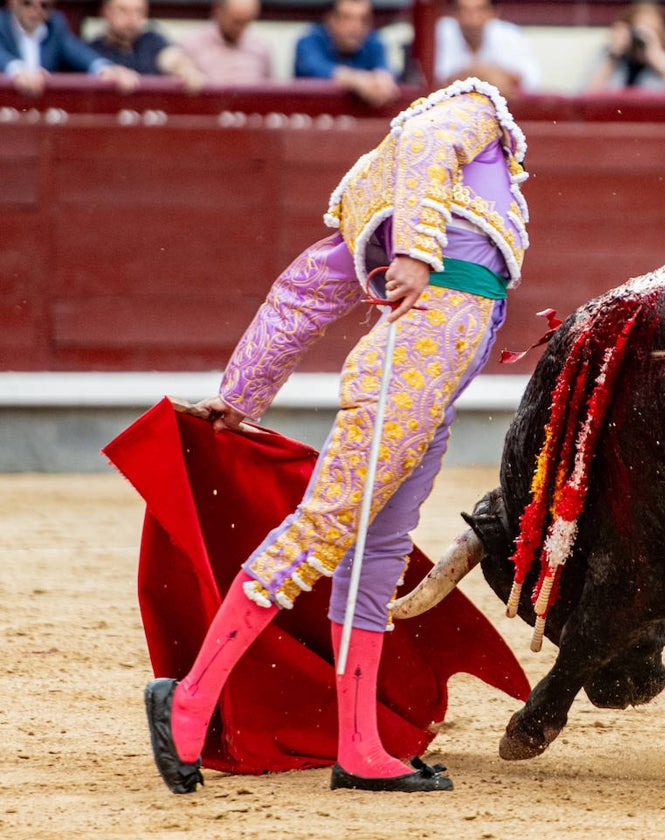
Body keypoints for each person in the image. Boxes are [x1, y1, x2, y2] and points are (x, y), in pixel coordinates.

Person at [142, 76, 531, 795]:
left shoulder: (372, 192)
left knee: (375, 550)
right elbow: (425, 145)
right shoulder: (467, 112)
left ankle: (359, 745)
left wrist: (240, 395)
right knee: (325, 530)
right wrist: (416, 250)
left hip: (432, 380)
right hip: (411, 361)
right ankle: (191, 698)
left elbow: (307, 286)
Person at [0, 0, 138, 96]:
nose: (36, 10)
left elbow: (77, 51)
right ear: (12, 2)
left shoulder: (55, 25)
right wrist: (17, 69)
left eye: (44, 5)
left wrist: (105, 68)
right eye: (27, 3)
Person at [294, 0, 397, 107]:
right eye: (347, 18)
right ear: (331, 19)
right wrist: (356, 80)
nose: (356, 27)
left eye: (363, 20)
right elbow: (313, 67)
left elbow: (385, 70)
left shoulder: (373, 42)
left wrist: (383, 79)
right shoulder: (309, 41)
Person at [583, 2, 665, 93]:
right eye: (638, 31)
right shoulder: (609, 58)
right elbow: (584, 97)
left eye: (654, 32)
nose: (644, 39)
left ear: (663, 36)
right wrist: (612, 57)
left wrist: (661, 63)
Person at [88, 0, 205, 91]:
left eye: (139, 11)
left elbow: (171, 58)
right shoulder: (92, 51)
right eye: (123, 11)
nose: (132, 19)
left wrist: (184, 69)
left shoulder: (152, 41)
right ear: (106, 12)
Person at [435, 0, 540, 98]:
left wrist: (473, 75)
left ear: (494, 12)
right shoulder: (438, 32)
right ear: (453, 13)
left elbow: (531, 80)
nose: (473, 18)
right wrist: (485, 74)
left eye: (480, 10)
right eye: (464, 11)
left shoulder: (510, 34)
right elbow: (435, 82)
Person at [179, 0, 272, 85]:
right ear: (217, 11)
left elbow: (267, 93)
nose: (241, 29)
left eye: (246, 22)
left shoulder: (261, 48)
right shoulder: (191, 46)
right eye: (236, 22)